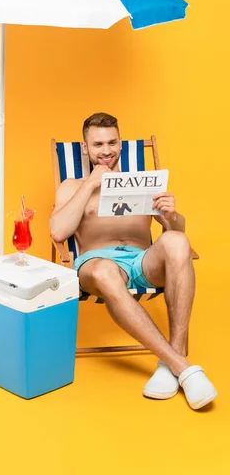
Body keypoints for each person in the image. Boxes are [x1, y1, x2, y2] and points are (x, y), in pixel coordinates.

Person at [50, 112, 217, 410]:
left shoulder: (144, 182)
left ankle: (173, 364)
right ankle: (184, 367)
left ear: (121, 143)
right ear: (85, 148)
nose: (106, 150)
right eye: (98, 144)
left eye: (112, 142)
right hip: (96, 263)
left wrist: (171, 217)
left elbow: (177, 237)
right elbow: (58, 232)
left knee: (178, 241)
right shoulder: (71, 185)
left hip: (142, 261)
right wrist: (89, 184)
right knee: (104, 271)